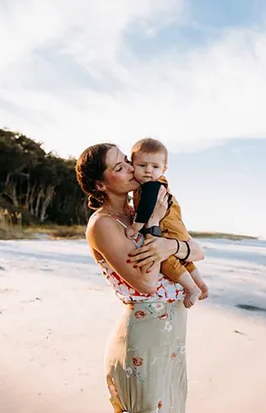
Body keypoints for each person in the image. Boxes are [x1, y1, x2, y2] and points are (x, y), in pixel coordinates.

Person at [76, 143, 206, 412]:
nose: (131, 169)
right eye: (119, 167)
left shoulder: (138, 211)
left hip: (172, 337)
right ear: (100, 185)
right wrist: (153, 224)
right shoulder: (102, 224)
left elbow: (198, 251)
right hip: (143, 340)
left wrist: (172, 246)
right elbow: (146, 283)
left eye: (127, 161)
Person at [129, 138, 210, 308]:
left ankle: (192, 288)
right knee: (183, 260)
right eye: (142, 165)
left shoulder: (151, 186)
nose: (148, 171)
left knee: (164, 258)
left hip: (167, 228)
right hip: (176, 228)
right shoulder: (150, 185)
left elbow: (146, 208)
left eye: (155, 167)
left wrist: (135, 227)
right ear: (133, 165)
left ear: (164, 169)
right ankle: (200, 283)